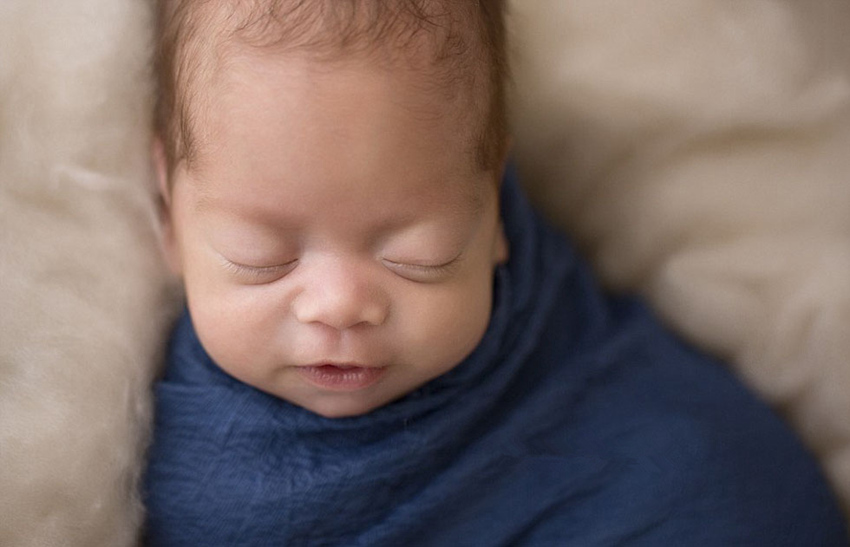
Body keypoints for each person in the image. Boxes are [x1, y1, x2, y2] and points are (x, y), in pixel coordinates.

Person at [144, 1, 848, 544]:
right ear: (168, 211)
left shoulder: (601, 399)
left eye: (421, 255)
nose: (340, 304)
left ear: (494, 213)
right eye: (261, 255)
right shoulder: (126, 426)